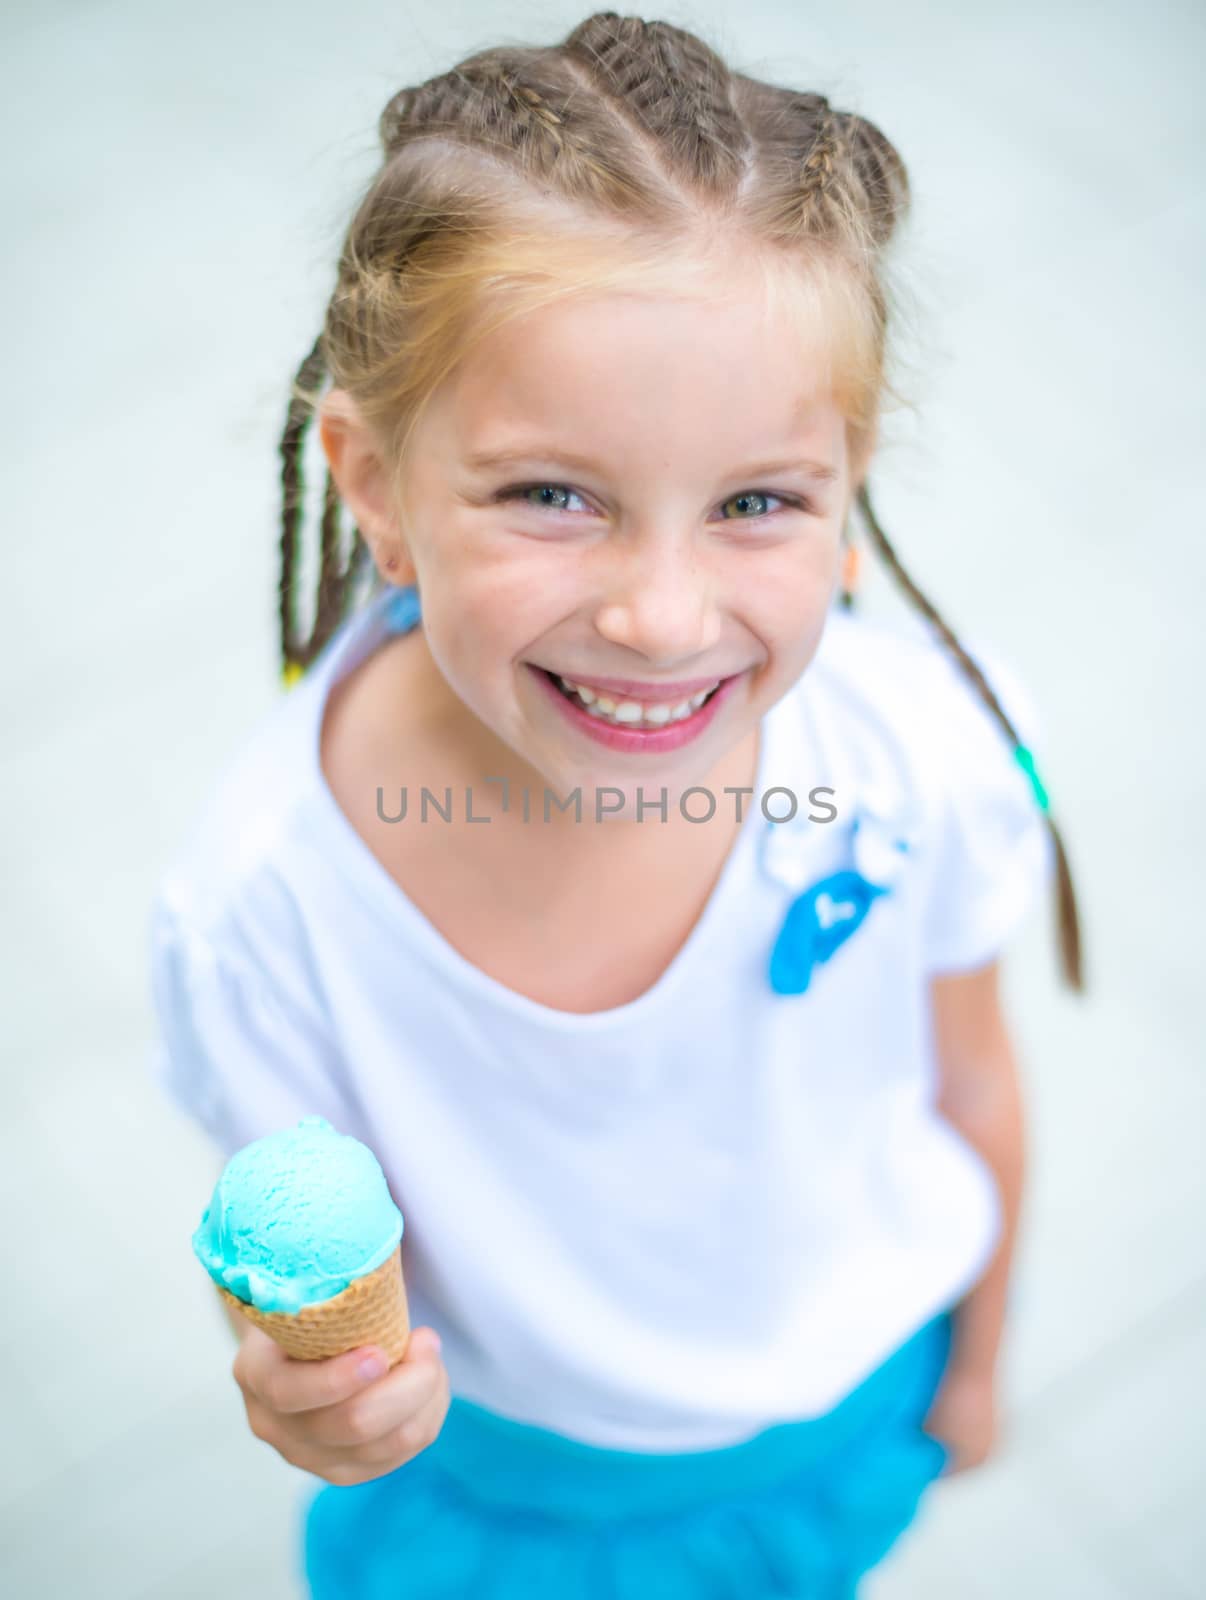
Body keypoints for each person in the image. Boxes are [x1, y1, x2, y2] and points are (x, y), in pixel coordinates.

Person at [146, 11, 1087, 1597]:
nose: (661, 616)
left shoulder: (923, 748)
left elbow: (974, 1090)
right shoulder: (264, 913)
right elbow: (302, 1257)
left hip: (853, 1421)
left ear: (846, 490)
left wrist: (976, 1366)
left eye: (753, 504)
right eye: (552, 495)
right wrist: (305, 1389)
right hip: (509, 1502)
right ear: (374, 486)